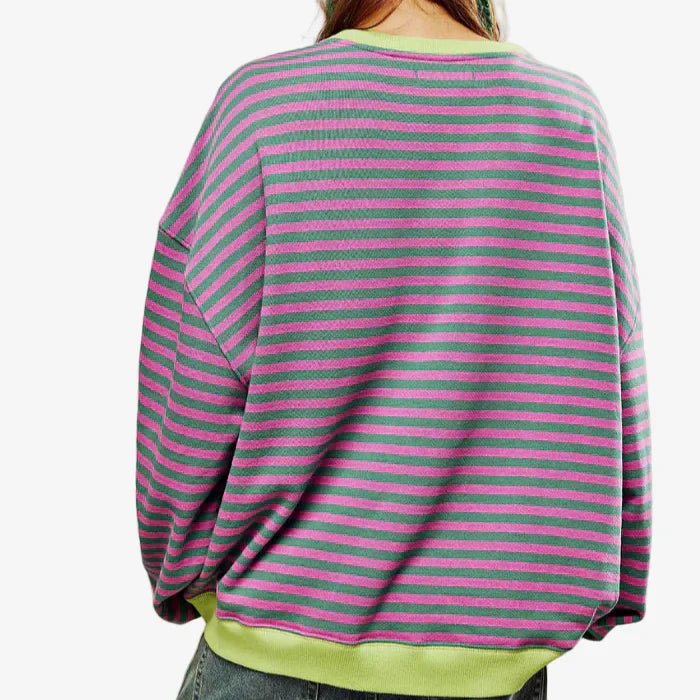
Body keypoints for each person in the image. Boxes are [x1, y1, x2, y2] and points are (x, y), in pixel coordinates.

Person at [135, 1, 652, 698]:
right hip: (494, 676)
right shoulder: (570, 120)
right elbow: (613, 380)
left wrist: (184, 576)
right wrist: (611, 582)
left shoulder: (263, 109)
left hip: (275, 655)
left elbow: (188, 396)